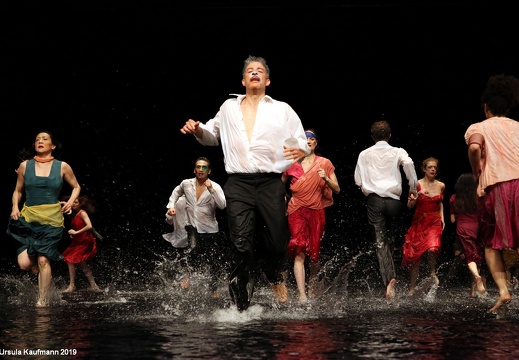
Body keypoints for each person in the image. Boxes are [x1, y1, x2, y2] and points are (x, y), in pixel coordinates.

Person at [180, 55, 310, 311]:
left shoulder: (281, 108)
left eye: (259, 70)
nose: (254, 73)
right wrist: (197, 130)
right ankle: (241, 305)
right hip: (238, 183)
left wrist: (301, 150)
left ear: (267, 80)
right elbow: (210, 135)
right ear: (243, 79)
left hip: (270, 183)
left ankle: (272, 275)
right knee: (241, 244)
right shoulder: (228, 107)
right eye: (250, 70)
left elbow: (300, 139)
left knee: (277, 242)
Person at [7, 130, 81, 307]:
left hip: (52, 220)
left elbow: (76, 186)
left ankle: (43, 301)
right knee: (25, 264)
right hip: (28, 218)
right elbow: (18, 190)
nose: (40, 141)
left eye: (45, 139)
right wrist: (15, 207)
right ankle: (37, 270)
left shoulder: (62, 166)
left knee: (43, 259)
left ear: (52, 145)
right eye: (37, 139)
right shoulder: (25, 166)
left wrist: (70, 202)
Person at [464, 74, 519, 314]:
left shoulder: (479, 127)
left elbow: (475, 146)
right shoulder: (518, 126)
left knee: (490, 244)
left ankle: (504, 292)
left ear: (486, 107)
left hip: (497, 186)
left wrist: (476, 172)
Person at [354, 120, 418, 300]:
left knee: (381, 242)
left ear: (372, 137)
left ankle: (389, 280)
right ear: (390, 136)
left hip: (375, 200)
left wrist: (367, 187)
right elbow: (409, 165)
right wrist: (413, 189)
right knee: (391, 239)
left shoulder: (364, 154)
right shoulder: (398, 151)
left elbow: (358, 180)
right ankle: (394, 274)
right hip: (394, 201)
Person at [281, 129, 340, 302]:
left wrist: (326, 179)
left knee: (314, 253)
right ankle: (302, 294)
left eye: (312, 138)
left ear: (316, 143)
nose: (308, 141)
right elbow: (278, 186)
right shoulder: (291, 164)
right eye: (305, 138)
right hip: (296, 210)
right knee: (299, 250)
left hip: (316, 211)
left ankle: (313, 287)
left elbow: (337, 189)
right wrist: (282, 197)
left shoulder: (324, 163)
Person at [163, 157, 227, 298]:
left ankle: (214, 289)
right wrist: (171, 206)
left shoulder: (215, 187)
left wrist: (211, 190)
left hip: (210, 229)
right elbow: (176, 192)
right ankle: (188, 275)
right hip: (193, 226)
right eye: (198, 167)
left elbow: (222, 205)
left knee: (213, 260)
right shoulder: (186, 184)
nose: (201, 169)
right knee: (192, 249)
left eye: (204, 167)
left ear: (209, 171)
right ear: (195, 170)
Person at [402, 157, 445, 296]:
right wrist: (414, 198)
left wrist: (442, 218)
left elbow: (440, 203)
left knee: (433, 248)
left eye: (435, 167)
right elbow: (409, 206)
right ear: (424, 169)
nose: (433, 169)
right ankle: (412, 287)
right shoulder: (416, 185)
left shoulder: (441, 185)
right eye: (430, 167)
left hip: (434, 220)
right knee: (415, 257)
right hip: (420, 221)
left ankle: (432, 272)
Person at [449, 173, 486, 298]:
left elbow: (453, 220)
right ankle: (473, 290)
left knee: (470, 257)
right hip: (477, 228)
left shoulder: (454, 199)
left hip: (463, 229)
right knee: (478, 257)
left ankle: (477, 277)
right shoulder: (479, 197)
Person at [61, 195, 101, 293]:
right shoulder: (73, 215)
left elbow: (89, 226)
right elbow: (79, 227)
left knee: (70, 259)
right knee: (82, 264)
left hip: (85, 241)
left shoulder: (82, 213)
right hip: (78, 241)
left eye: (76, 202)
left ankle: (72, 285)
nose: (74, 204)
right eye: (73, 202)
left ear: (80, 204)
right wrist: (74, 234)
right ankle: (94, 285)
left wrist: (76, 233)